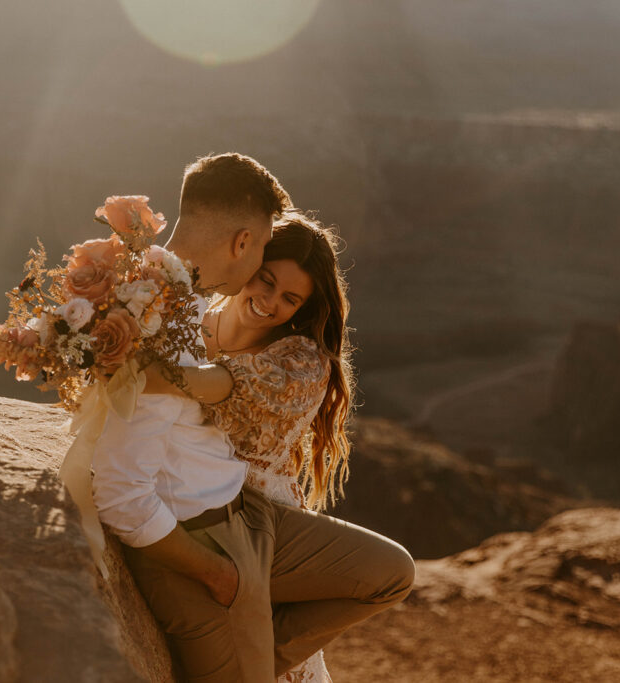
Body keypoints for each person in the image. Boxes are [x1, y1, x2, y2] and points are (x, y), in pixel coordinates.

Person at [91, 154, 415, 682]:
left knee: (391, 573)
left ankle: (258, 649)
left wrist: (144, 372)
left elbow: (229, 385)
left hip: (255, 511)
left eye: (290, 298)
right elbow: (124, 489)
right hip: (209, 528)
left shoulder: (297, 358)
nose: (269, 301)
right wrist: (217, 572)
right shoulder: (180, 306)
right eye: (265, 275)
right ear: (244, 246)